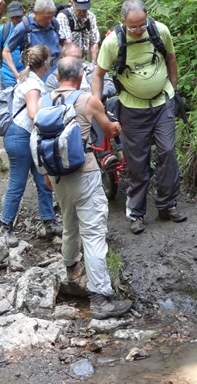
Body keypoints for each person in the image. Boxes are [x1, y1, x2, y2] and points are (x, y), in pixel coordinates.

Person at [47, 56, 132, 319]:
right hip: (84, 173)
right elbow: (109, 131)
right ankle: (101, 300)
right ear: (79, 77)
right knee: (94, 235)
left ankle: (72, 273)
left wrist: (46, 175)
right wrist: (115, 126)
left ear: (59, 76)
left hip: (57, 175)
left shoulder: (45, 100)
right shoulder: (87, 101)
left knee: (69, 224)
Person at [92, 0, 186, 235]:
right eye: (132, 26)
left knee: (167, 152)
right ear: (122, 21)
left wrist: (172, 92)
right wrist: (96, 104)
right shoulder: (113, 42)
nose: (138, 30)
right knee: (137, 162)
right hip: (132, 108)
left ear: (147, 18)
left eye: (142, 24)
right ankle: (136, 214)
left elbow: (171, 59)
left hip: (163, 102)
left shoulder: (159, 31)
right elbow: (99, 74)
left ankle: (167, 205)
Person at [0, 45, 60, 247]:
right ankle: (5, 226)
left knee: (43, 180)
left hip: (27, 136)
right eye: (49, 59)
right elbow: (33, 114)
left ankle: (49, 222)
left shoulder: (29, 79)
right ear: (45, 63)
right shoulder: (33, 85)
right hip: (20, 137)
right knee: (18, 182)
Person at [2, 0, 62, 82]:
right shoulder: (23, 28)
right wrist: (16, 74)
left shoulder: (54, 23)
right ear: (36, 13)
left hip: (56, 73)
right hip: (36, 75)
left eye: (51, 17)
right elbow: (6, 51)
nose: (49, 21)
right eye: (46, 17)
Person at [56, 0, 100, 64]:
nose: (82, 12)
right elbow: (68, 43)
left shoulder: (91, 17)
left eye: (85, 9)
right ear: (72, 2)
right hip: (66, 60)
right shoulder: (63, 17)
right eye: (79, 9)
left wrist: (93, 63)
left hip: (83, 59)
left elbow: (94, 42)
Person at [0, 1, 25, 90]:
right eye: (13, 18)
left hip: (27, 74)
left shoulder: (29, 28)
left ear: (24, 12)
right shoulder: (4, 30)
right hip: (8, 76)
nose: (15, 20)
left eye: (18, 17)